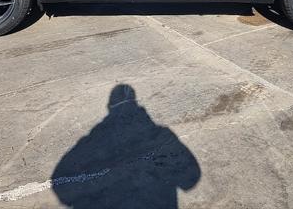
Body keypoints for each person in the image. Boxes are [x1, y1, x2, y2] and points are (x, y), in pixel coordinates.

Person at [51, 84, 201, 208]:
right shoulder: (162, 136)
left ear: (110, 106)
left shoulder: (93, 140)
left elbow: (61, 183)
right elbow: (191, 178)